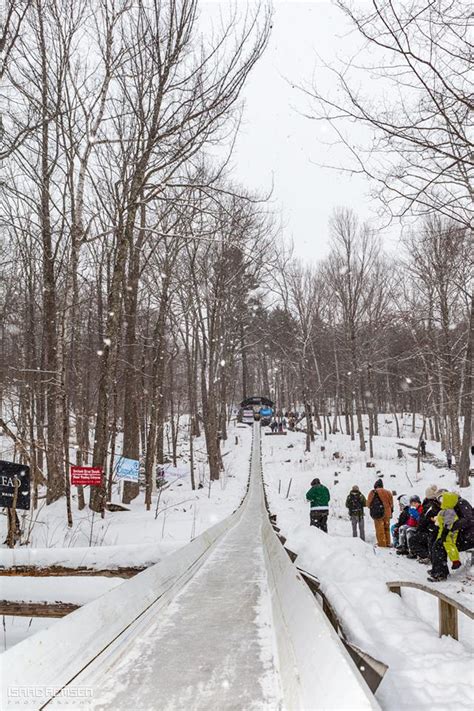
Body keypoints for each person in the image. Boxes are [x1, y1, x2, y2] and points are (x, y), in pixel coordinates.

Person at [429, 492, 474, 582]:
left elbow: (468, 520)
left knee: (440, 545)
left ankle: (440, 573)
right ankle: (438, 570)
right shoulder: (455, 504)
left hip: (468, 538)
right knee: (438, 542)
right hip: (464, 535)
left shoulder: (462, 503)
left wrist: (450, 527)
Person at [407, 485, 443, 562]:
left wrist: (420, 528)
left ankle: (426, 555)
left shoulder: (429, 506)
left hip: (430, 530)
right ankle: (426, 555)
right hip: (432, 529)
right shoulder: (436, 504)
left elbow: (423, 520)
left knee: (413, 539)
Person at [367, 478, 393, 547]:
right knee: (387, 528)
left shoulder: (373, 492)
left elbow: (368, 504)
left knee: (380, 529)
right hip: (387, 513)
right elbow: (391, 504)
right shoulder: (388, 492)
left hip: (378, 513)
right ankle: (388, 542)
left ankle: (382, 544)